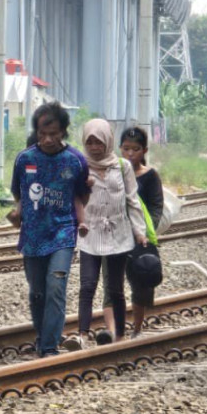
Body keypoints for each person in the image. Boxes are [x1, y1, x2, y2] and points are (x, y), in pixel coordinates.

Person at [8, 102, 90, 357]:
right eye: (43, 134)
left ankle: (49, 347)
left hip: (62, 234)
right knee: (37, 293)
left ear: (63, 131)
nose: (48, 140)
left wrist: (80, 220)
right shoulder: (25, 159)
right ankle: (42, 337)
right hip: (32, 236)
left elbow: (81, 194)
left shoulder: (75, 160)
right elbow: (17, 192)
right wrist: (18, 212)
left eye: (53, 134)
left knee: (56, 286)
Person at [66, 118, 146, 349]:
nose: (94, 147)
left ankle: (119, 335)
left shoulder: (122, 167)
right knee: (87, 285)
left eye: (98, 142)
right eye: (89, 142)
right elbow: (74, 200)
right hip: (89, 234)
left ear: (108, 142)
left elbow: (132, 201)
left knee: (115, 288)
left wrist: (139, 232)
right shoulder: (79, 167)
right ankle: (82, 335)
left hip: (118, 235)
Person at [103, 126, 164, 339]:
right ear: (119, 148)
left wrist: (146, 231)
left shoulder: (150, 176)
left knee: (140, 284)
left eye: (135, 149)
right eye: (126, 148)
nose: (130, 154)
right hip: (113, 237)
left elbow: (156, 208)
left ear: (144, 150)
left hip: (141, 240)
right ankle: (113, 333)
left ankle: (137, 329)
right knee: (112, 285)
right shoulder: (111, 172)